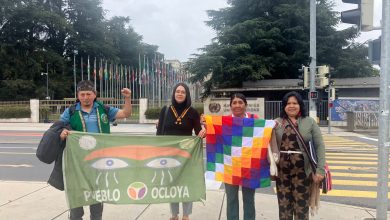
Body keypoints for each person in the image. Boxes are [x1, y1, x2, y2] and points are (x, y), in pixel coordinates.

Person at [59, 80, 132, 220]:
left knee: (97, 196)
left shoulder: (103, 109)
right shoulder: (71, 111)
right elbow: (58, 130)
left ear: (94, 94)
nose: (85, 97)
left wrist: (127, 98)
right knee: (76, 196)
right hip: (76, 162)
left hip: (99, 161)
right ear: (78, 95)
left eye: (88, 94)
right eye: (82, 94)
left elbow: (126, 113)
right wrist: (62, 134)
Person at [156, 82, 205, 220]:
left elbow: (198, 133)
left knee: (186, 184)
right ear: (174, 93)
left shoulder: (193, 112)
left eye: (183, 92)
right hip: (169, 155)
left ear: (187, 95)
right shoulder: (165, 110)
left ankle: (186, 215)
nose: (180, 93)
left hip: (186, 156)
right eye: (177, 91)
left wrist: (204, 131)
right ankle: (174, 214)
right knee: (172, 184)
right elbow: (159, 135)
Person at [273, 91, 325, 220]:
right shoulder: (276, 123)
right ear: (284, 106)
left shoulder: (309, 122)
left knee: (301, 207)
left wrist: (320, 169)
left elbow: (320, 146)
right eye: (288, 103)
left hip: (303, 172)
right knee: (284, 208)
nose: (291, 106)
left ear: (300, 105)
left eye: (295, 103)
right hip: (282, 173)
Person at [224, 93, 258, 220]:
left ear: (245, 105)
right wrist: (206, 128)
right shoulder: (224, 122)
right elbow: (215, 139)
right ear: (230, 106)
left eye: (240, 102)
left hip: (250, 167)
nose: (237, 105)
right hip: (230, 167)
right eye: (234, 102)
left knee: (249, 199)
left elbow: (265, 134)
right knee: (231, 199)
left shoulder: (254, 119)